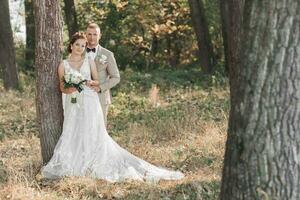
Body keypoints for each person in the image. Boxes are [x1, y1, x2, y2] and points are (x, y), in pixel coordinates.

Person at [41, 32, 184, 182]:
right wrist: (74, 87)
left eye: (83, 45)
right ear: (71, 45)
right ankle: (74, 163)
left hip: (90, 101)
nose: (80, 48)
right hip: (73, 103)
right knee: (73, 129)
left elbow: (97, 81)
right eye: (77, 44)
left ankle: (92, 163)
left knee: (91, 130)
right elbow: (62, 87)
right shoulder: (63, 65)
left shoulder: (89, 61)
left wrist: (86, 83)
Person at [86, 23, 120, 126]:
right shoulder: (79, 52)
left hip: (100, 97)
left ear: (99, 36)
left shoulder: (107, 54)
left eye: (95, 34)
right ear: (86, 35)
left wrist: (101, 87)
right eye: (89, 34)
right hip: (82, 97)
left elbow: (116, 77)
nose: (92, 37)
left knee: (99, 129)